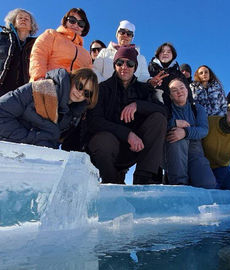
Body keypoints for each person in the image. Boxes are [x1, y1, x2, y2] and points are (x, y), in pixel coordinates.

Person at [82, 46, 167, 184]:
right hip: (108, 149)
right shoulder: (102, 89)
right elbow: (94, 121)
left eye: (130, 64)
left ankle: (143, 179)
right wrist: (127, 134)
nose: (124, 67)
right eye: (120, 63)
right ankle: (111, 183)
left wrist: (138, 105)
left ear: (135, 67)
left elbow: (163, 111)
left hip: (134, 149)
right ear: (114, 65)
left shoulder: (143, 90)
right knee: (102, 140)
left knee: (158, 119)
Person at [0, 68, 98, 149]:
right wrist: (30, 137)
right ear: (72, 79)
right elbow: (2, 112)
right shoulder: (41, 88)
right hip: (8, 148)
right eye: (79, 86)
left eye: (86, 93)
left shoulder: (72, 116)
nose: (80, 93)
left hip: (34, 157)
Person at [164, 78, 216, 189]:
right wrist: (173, 123)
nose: (179, 91)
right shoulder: (166, 109)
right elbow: (159, 124)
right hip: (174, 151)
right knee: (176, 137)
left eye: (182, 88)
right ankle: (179, 184)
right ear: (170, 96)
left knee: (207, 184)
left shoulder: (197, 109)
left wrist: (186, 132)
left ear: (187, 90)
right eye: (174, 90)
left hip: (195, 151)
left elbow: (203, 130)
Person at [93, 20, 161, 87]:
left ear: (132, 38)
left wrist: (150, 81)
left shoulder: (140, 58)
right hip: (106, 94)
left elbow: (144, 76)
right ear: (117, 35)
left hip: (130, 96)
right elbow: (95, 71)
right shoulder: (105, 52)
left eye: (129, 34)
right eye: (122, 32)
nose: (125, 35)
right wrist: (105, 86)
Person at [29, 8, 91, 81]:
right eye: (72, 20)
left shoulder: (86, 54)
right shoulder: (52, 35)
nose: (76, 25)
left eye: (81, 23)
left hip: (72, 90)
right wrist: (39, 78)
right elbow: (38, 54)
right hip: (48, 83)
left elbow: (89, 77)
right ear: (65, 21)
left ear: (84, 28)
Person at [0, 8, 38, 96]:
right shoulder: (2, 37)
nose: (23, 19)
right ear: (13, 22)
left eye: (27, 18)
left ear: (31, 26)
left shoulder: (36, 45)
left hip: (23, 92)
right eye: (20, 18)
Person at [148, 42, 191, 109]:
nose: (165, 53)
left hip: (176, 109)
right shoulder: (149, 70)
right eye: (162, 51)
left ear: (173, 55)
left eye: (168, 52)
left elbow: (188, 93)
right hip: (155, 107)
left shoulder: (178, 74)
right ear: (158, 54)